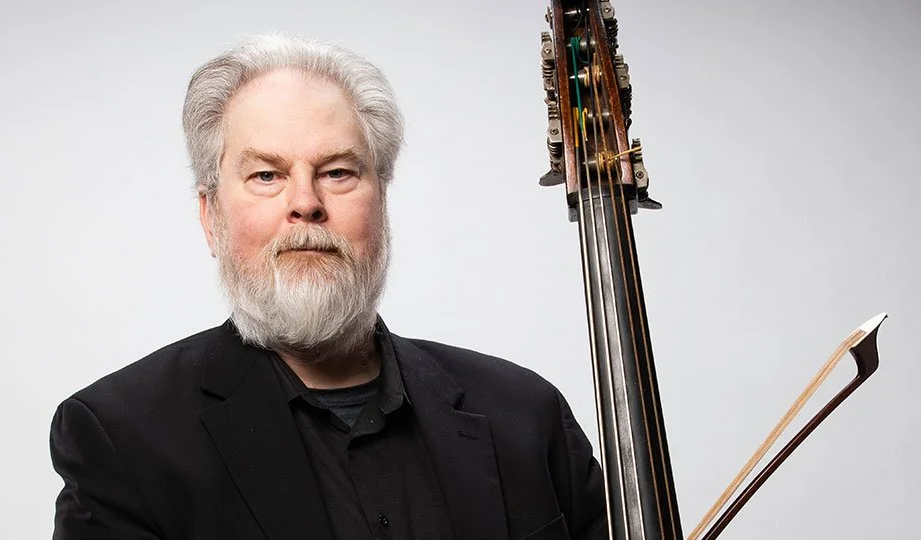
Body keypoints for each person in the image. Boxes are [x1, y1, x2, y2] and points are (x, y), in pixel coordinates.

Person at [49, 33, 606, 540]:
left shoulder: (528, 416)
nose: (305, 203)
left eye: (338, 172)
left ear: (381, 202)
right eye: (266, 175)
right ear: (210, 217)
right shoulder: (121, 440)